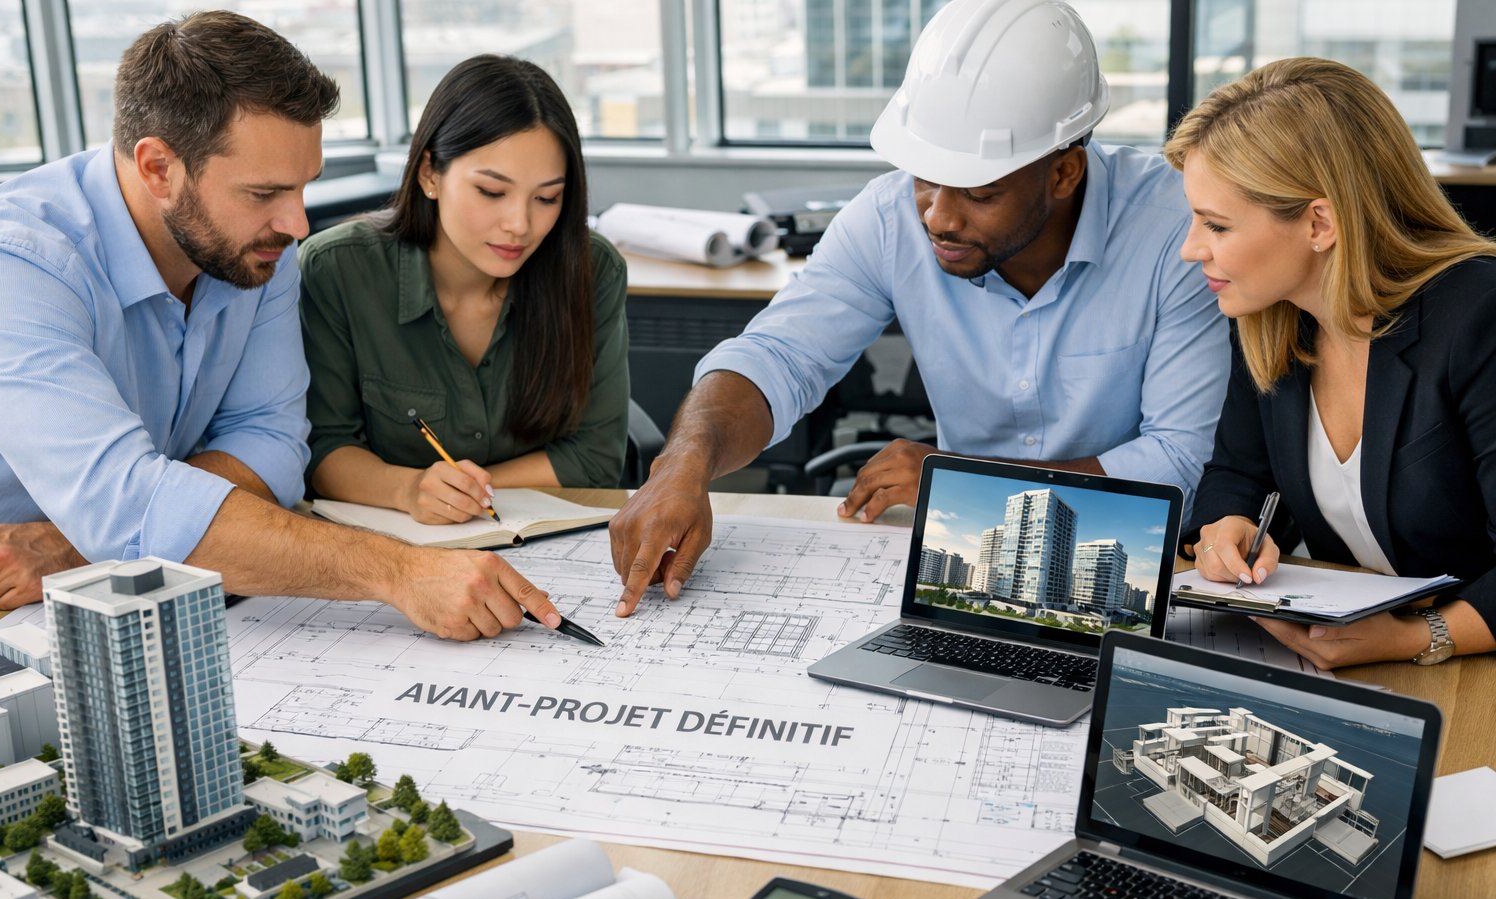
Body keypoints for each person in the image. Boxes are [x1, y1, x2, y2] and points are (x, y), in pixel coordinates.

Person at [606, 0, 1228, 617]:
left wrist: (964, 483)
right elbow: (778, 355)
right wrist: (682, 462)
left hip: (1142, 568)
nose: (938, 216)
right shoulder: (887, 218)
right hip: (966, 558)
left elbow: (1178, 460)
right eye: (923, 176)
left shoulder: (1179, 231)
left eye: (980, 194)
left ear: (1064, 173)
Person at [0, 12, 563, 640]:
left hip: (125, 588)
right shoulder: (12, 263)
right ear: (158, 168)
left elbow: (271, 446)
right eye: (264, 193)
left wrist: (79, 541)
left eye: (304, 188)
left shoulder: (255, 252)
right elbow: (123, 504)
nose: (298, 224)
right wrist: (401, 572)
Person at [1170, 57, 1496, 669]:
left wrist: (1414, 637)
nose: (1192, 249)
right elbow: (1236, 472)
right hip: (1357, 666)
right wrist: (1228, 525)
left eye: (1215, 224)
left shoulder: (1479, 318)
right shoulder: (1272, 314)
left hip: (1473, 669)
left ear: (1319, 223)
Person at [300, 55, 629, 523]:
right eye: (492, 192)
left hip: (541, 539)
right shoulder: (335, 270)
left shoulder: (592, 269)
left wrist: (463, 493)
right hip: (390, 547)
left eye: (547, 197)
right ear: (430, 173)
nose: (520, 224)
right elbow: (323, 448)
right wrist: (411, 491)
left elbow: (596, 456)